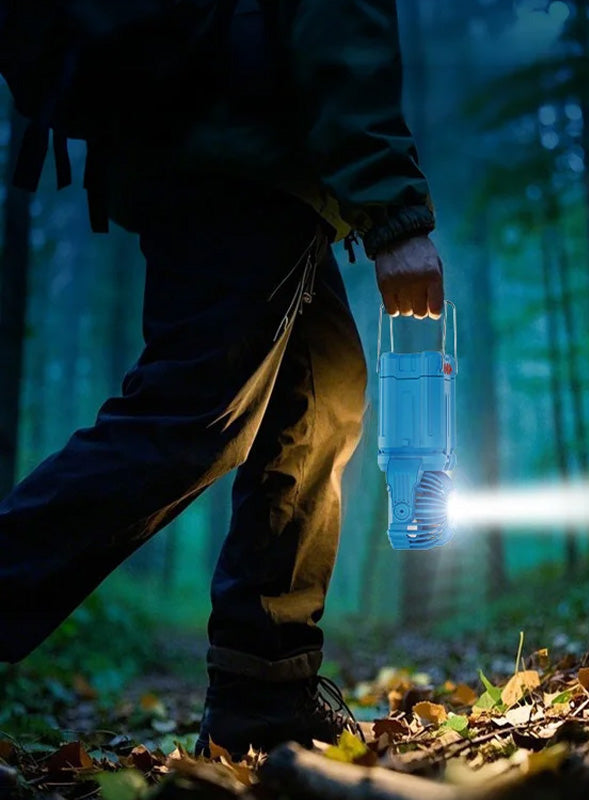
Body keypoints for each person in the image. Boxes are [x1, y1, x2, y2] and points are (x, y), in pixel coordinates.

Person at [0, 0, 443, 757]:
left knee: (322, 404)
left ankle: (265, 698)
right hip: (236, 152)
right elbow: (339, 27)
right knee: (194, 417)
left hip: (242, 153)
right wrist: (395, 210)